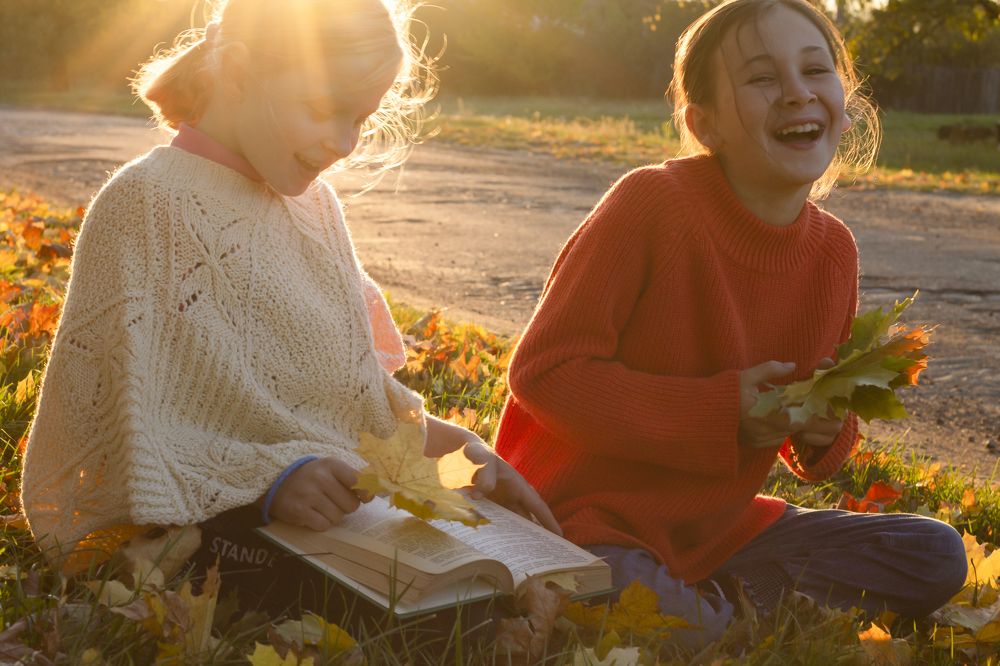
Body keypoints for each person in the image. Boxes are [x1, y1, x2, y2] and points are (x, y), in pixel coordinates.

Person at [20, 0, 558, 612]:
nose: (347, 143)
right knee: (422, 614)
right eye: (324, 111)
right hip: (209, 532)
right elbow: (128, 440)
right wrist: (267, 486)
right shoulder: (143, 203)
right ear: (241, 73)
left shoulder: (317, 209)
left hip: (335, 521)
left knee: (487, 587)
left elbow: (346, 402)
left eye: (364, 118)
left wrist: (462, 452)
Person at [493, 0, 967, 650]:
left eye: (815, 69)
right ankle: (704, 618)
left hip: (719, 533)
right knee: (652, 606)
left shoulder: (834, 253)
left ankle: (711, 613)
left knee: (934, 553)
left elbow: (816, 431)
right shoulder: (650, 205)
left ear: (844, 99)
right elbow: (544, 374)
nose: (796, 93)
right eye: (762, 77)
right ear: (704, 122)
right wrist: (722, 414)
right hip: (578, 519)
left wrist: (826, 428)